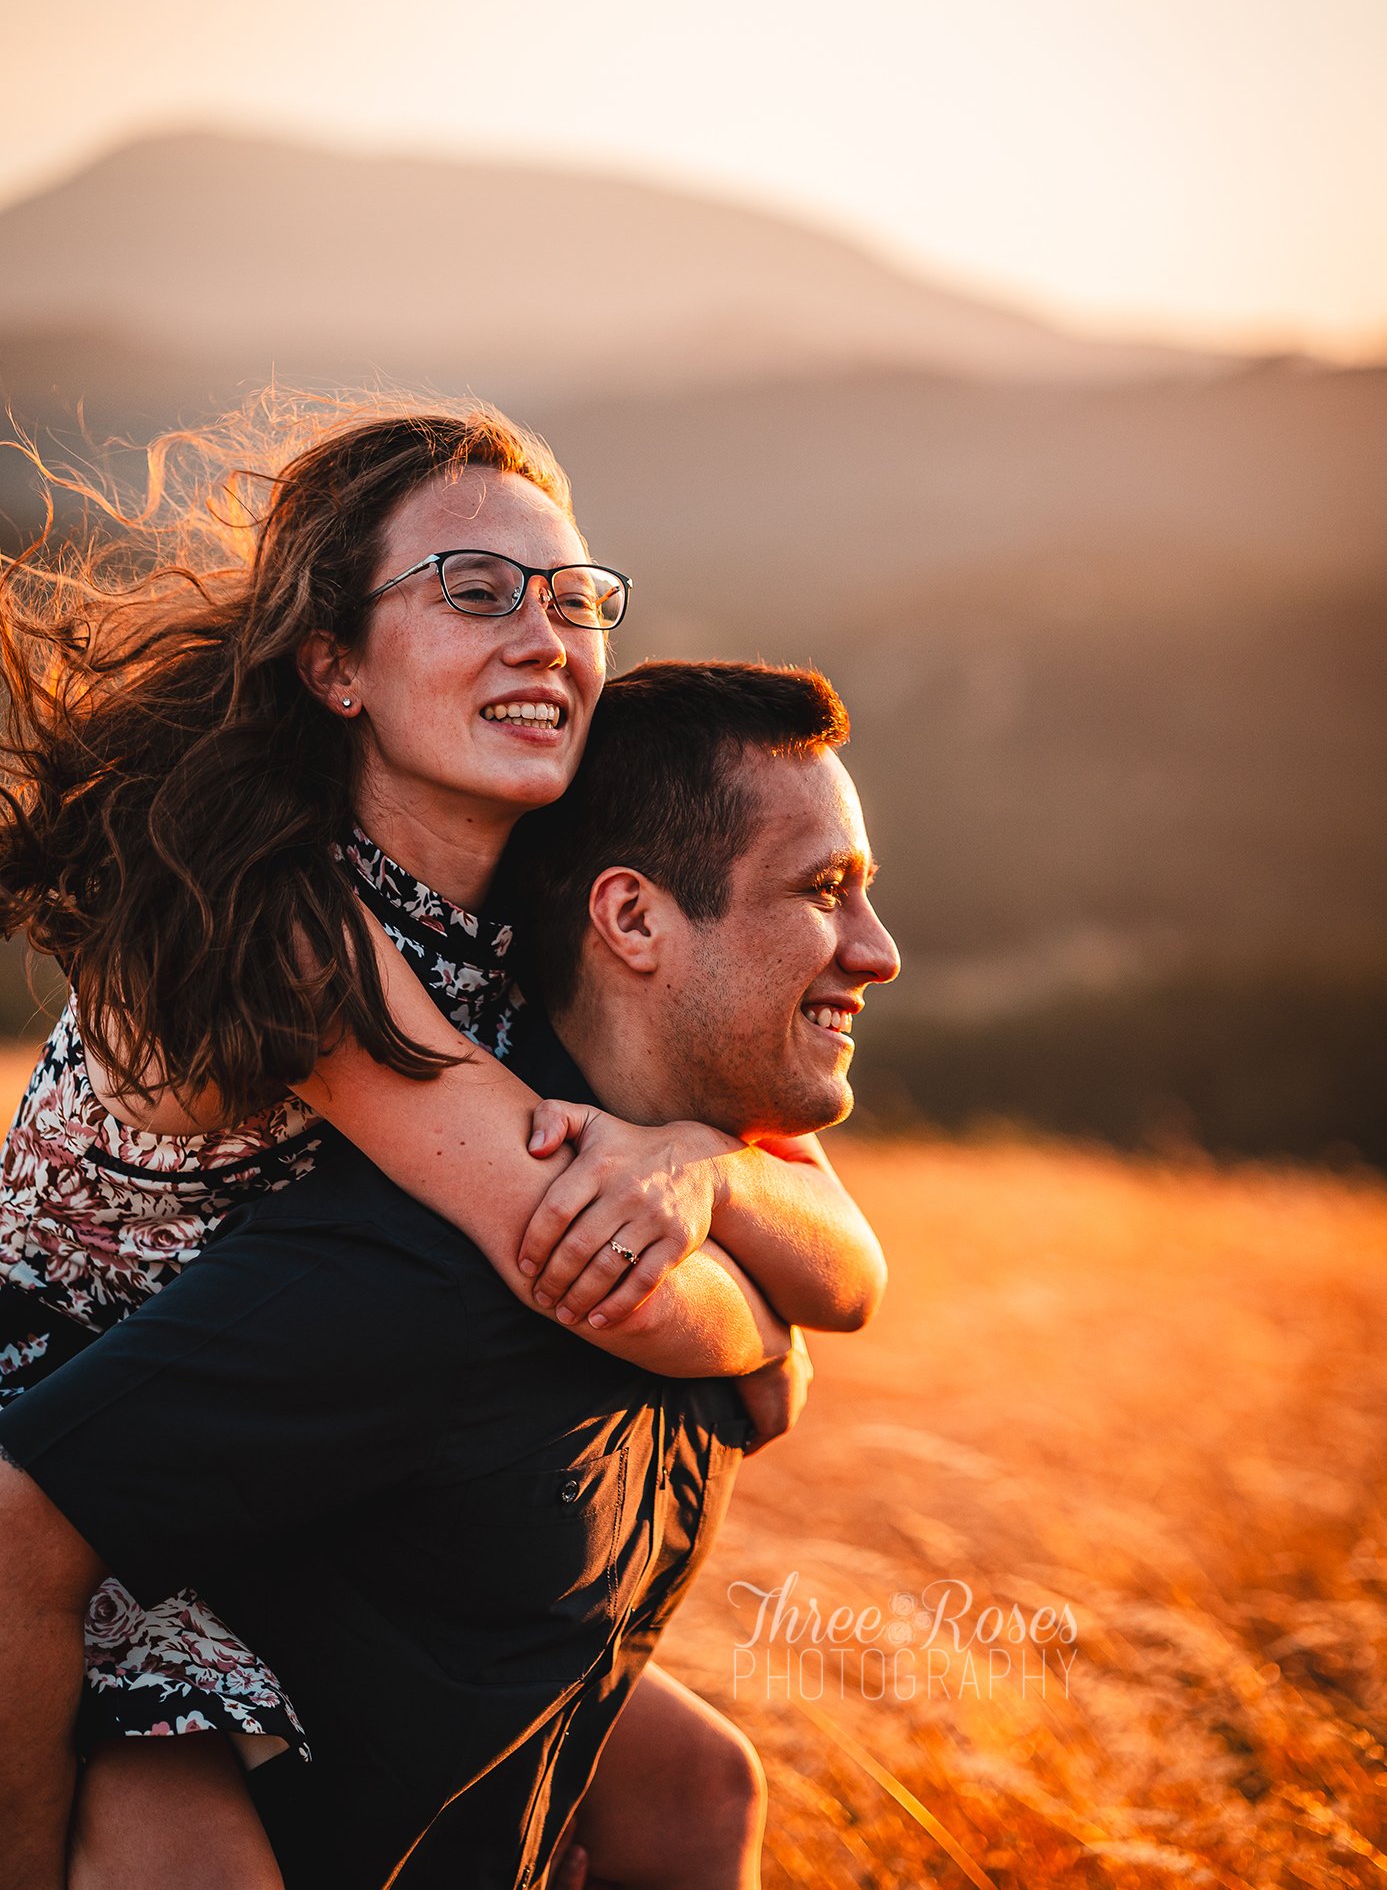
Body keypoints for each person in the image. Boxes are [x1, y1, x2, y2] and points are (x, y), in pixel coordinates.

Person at [0, 398, 886, 1884]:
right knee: (176, 1841)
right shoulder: (279, 922)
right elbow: (565, 1253)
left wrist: (703, 1167)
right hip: (70, 1456)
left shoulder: (529, 884)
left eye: (571, 598)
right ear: (333, 665)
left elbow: (847, 1256)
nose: (543, 637)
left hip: (273, 1462)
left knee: (695, 1786)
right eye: (474, 593)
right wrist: (760, 1342)